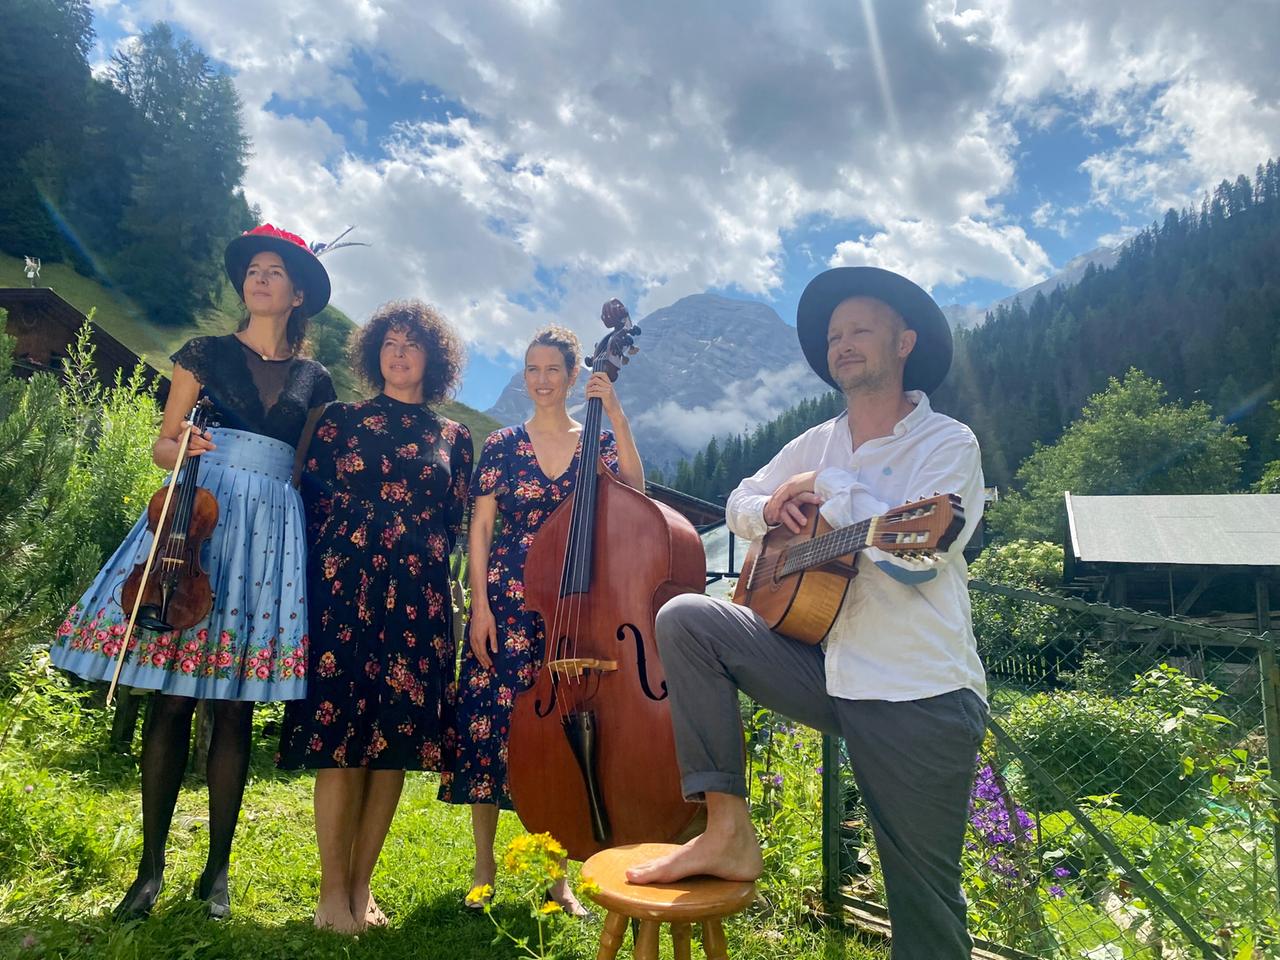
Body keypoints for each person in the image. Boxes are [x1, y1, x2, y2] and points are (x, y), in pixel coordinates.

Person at [627, 267, 989, 960]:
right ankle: (726, 828)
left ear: (904, 341)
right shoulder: (815, 439)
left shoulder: (948, 443)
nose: (843, 344)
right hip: (825, 669)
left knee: (924, 908)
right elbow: (740, 502)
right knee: (686, 617)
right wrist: (770, 509)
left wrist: (826, 487)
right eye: (834, 335)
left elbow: (913, 561)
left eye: (860, 330)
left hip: (919, 692)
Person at [50, 224, 338, 921]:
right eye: (253, 270)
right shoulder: (203, 354)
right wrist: (181, 442)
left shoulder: (315, 380)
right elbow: (160, 441)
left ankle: (216, 873)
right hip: (199, 519)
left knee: (233, 705)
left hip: (269, 529)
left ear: (297, 293)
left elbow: (303, 466)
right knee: (170, 697)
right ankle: (148, 872)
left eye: (275, 272)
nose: (259, 279)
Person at [277, 300, 473, 934]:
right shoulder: (340, 421)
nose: (399, 353)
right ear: (373, 352)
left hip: (418, 601)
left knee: (392, 747)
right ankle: (331, 895)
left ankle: (363, 890)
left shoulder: (454, 438)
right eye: (389, 342)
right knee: (340, 744)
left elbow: (456, 523)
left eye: (412, 345)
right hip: (345, 594)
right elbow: (308, 501)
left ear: (433, 359)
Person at [438, 324, 643, 915]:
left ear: (574, 376)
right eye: (532, 369)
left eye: (553, 369)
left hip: (573, 605)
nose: (542, 380)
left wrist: (619, 416)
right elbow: (480, 529)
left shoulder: (597, 438)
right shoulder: (502, 442)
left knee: (558, 736)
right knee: (487, 726)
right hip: (504, 600)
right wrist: (477, 605)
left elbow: (635, 489)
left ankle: (556, 876)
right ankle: (483, 865)